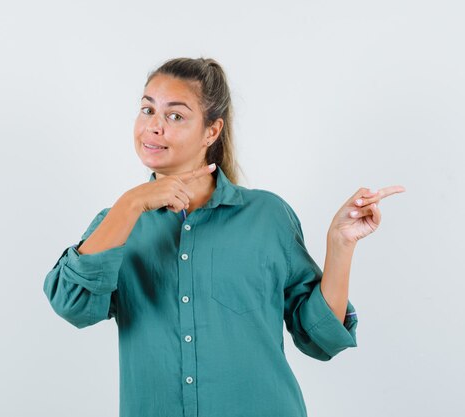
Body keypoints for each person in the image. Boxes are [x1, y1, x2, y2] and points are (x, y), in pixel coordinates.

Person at [43, 57, 405, 417]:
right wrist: (132, 203)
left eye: (175, 116)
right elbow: (72, 305)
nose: (154, 127)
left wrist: (340, 245)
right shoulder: (117, 224)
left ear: (211, 131)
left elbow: (321, 338)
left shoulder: (267, 217)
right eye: (147, 110)